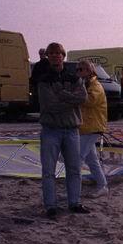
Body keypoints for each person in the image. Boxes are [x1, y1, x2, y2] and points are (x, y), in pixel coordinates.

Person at [38, 42, 88, 217]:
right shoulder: (44, 80)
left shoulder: (73, 77)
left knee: (74, 169)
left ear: (63, 56)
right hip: (51, 130)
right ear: (47, 56)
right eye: (51, 53)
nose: (55, 56)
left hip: (71, 130)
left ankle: (75, 202)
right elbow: (50, 105)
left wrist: (63, 95)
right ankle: (51, 206)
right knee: (48, 171)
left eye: (57, 53)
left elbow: (83, 98)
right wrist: (71, 100)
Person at [77, 60, 108, 198]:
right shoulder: (87, 84)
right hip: (86, 127)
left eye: (81, 69)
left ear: (89, 71)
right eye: (77, 70)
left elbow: (89, 101)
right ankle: (102, 186)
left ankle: (74, 190)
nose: (78, 72)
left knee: (78, 158)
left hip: (92, 127)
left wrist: (76, 92)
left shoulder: (96, 86)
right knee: (92, 160)